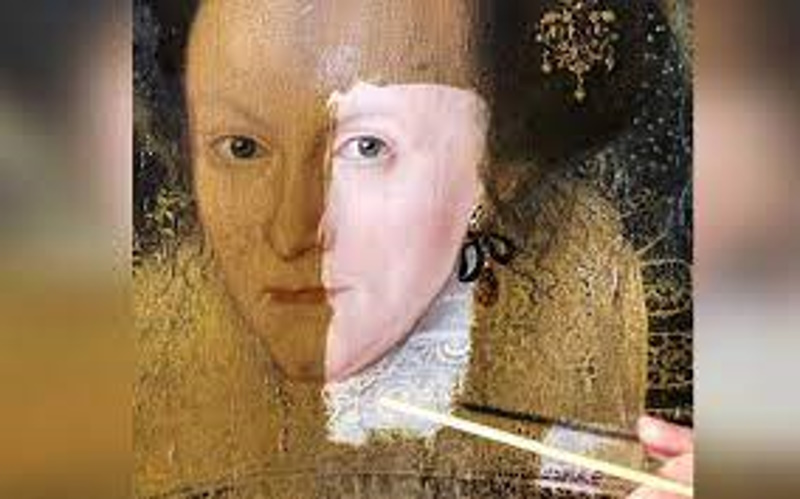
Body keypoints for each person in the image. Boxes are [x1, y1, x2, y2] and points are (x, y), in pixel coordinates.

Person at [135, 0, 693, 496]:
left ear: (496, 169)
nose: (289, 232)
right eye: (241, 147)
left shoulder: (585, 289)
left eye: (368, 147)